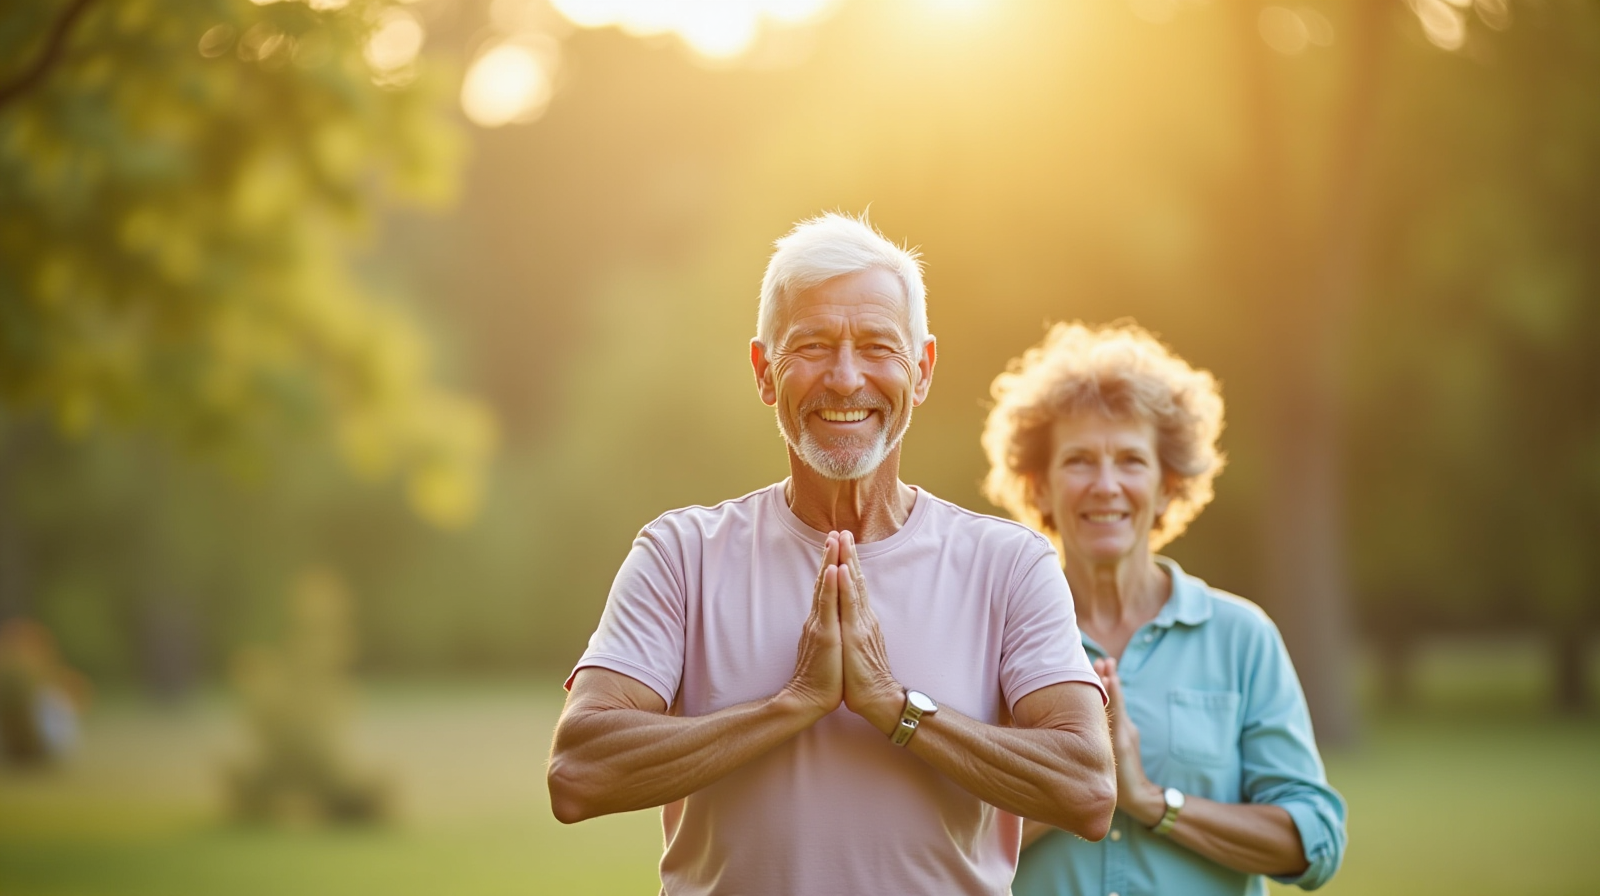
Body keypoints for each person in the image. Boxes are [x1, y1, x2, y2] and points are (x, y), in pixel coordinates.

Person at [547, 213, 1116, 896]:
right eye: (812, 346)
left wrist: (893, 707)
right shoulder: (682, 554)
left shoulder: (1010, 564)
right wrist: (791, 706)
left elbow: (1086, 788)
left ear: (923, 368)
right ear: (764, 371)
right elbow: (578, 775)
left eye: (878, 345)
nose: (846, 379)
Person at [981, 321, 1347, 895]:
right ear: (1039, 486)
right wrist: (1081, 792)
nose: (1105, 485)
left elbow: (1315, 841)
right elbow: (936, 836)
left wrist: (1150, 801)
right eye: (1078, 460)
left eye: (1130, 460)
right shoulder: (992, 639)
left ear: (1168, 486)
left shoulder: (1240, 637)